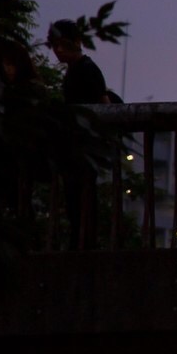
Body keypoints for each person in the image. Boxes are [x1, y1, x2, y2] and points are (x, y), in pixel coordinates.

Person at [47, 19, 111, 249]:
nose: (58, 50)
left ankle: (84, 244)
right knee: (77, 200)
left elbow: (104, 104)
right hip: (77, 148)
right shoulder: (77, 70)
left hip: (83, 149)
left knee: (81, 199)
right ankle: (81, 242)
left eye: (63, 44)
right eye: (54, 45)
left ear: (77, 42)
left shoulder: (86, 69)